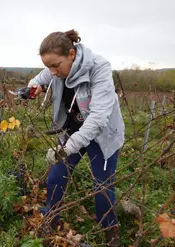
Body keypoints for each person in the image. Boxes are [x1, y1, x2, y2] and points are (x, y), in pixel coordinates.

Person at [28, 29, 125, 246]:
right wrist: (32, 88)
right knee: (55, 178)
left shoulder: (99, 68)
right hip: (72, 130)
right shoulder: (56, 70)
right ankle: (50, 221)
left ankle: (111, 232)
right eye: (48, 66)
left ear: (71, 54)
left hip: (102, 135)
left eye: (55, 66)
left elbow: (99, 118)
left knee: (101, 187)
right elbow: (39, 79)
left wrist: (67, 148)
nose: (52, 72)